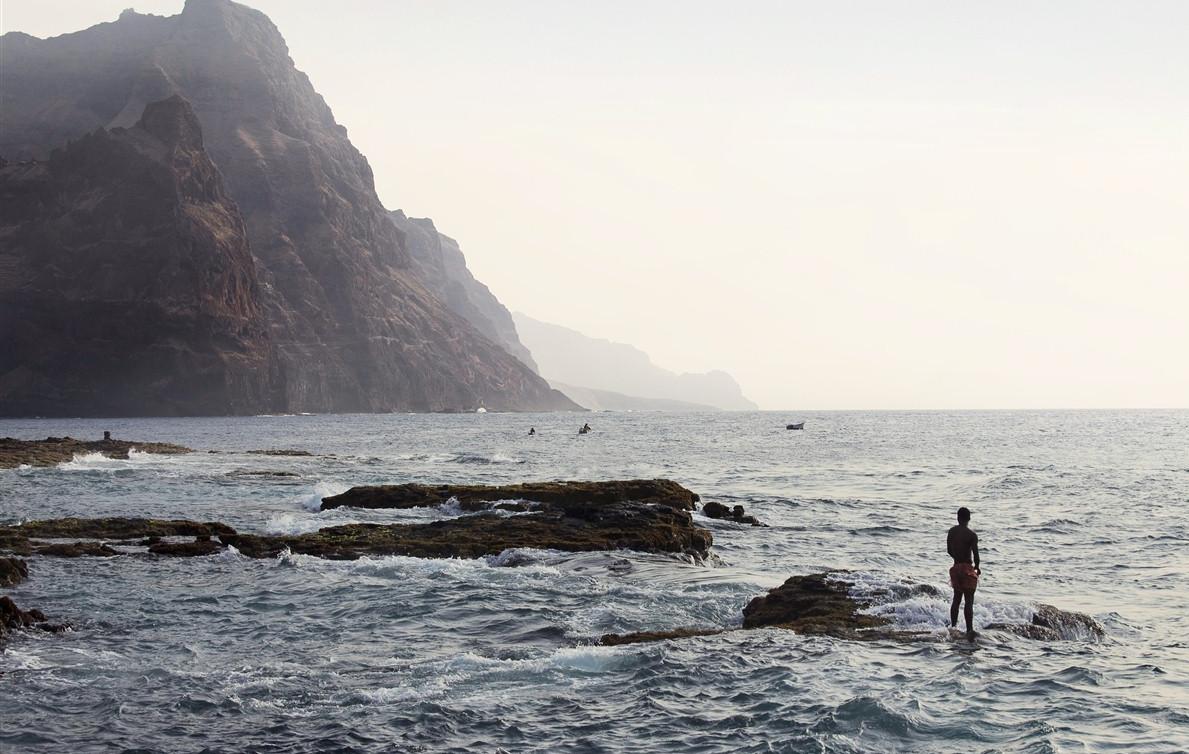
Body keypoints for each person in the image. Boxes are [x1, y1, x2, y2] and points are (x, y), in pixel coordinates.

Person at [947, 506, 981, 639]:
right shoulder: (972, 535)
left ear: (957, 517)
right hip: (967, 568)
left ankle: (953, 627)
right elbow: (976, 556)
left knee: (956, 599)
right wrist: (977, 567)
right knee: (969, 600)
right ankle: (969, 630)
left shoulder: (951, 531)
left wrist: (957, 559)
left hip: (955, 567)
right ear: (969, 519)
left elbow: (949, 550)